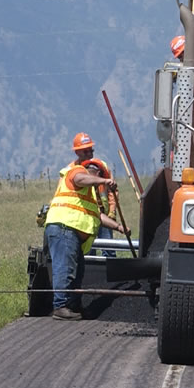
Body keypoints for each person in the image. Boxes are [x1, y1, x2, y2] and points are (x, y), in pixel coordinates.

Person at [43, 132, 124, 320]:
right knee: (65, 267)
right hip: (64, 228)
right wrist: (103, 181)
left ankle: (74, 305)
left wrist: (118, 227)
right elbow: (82, 179)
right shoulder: (76, 171)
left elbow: (98, 216)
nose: (98, 177)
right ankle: (60, 306)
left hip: (70, 232)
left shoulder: (89, 193)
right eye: (97, 174)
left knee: (78, 269)